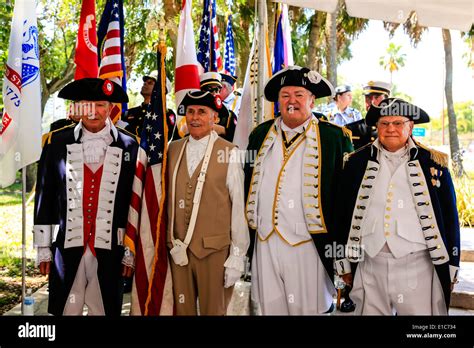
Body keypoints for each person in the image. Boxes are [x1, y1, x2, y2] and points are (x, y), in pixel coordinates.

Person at [244, 66, 354, 315]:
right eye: (285, 95)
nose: (291, 101)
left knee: (310, 310)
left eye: (299, 94)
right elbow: (245, 184)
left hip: (310, 245)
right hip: (265, 241)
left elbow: (346, 201)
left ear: (312, 100)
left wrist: (342, 254)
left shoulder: (334, 138)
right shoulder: (260, 135)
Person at [335, 98, 460, 315]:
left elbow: (450, 218)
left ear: (410, 126)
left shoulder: (433, 162)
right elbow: (342, 215)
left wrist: (452, 266)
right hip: (369, 262)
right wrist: (341, 260)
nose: (390, 129)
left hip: (417, 265)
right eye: (384, 123)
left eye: (398, 123)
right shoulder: (356, 162)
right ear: (377, 127)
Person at [33, 78, 138, 316]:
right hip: (68, 245)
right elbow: (45, 195)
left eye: (100, 104)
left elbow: (134, 200)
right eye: (86, 105)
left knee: (104, 309)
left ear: (111, 108)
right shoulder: (57, 141)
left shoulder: (130, 145)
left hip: (111, 248)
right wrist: (43, 246)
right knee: (65, 309)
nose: (93, 112)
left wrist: (130, 251)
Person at [166, 90, 249, 315]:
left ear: (215, 118)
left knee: (215, 311)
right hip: (179, 251)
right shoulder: (172, 149)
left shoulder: (230, 152)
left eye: (202, 112)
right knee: (182, 311)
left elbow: (238, 208)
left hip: (215, 252)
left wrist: (237, 257)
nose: (194, 117)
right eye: (190, 112)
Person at [122, 71, 178, 141]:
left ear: (160, 90)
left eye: (150, 83)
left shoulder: (166, 114)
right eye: (145, 82)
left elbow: (160, 138)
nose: (145, 83)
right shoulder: (129, 112)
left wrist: (127, 129)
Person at [344, 80, 392, 150]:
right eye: (368, 97)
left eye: (376, 97)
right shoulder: (350, 129)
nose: (372, 102)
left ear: (387, 100)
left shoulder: (396, 129)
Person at [200, 72, 237, 142]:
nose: (214, 93)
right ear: (201, 91)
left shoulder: (229, 116)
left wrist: (223, 130)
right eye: (209, 89)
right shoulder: (191, 113)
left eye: (217, 89)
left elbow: (238, 138)